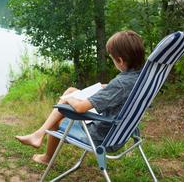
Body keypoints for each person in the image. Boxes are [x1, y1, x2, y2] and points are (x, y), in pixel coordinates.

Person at [15, 30, 145, 165]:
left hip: (101, 137)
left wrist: (68, 99)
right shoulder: (142, 78)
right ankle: (38, 135)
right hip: (119, 130)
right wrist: (107, 88)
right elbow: (122, 92)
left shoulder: (120, 84)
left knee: (61, 111)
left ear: (120, 60)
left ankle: (45, 153)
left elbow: (80, 108)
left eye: (112, 58)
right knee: (71, 90)